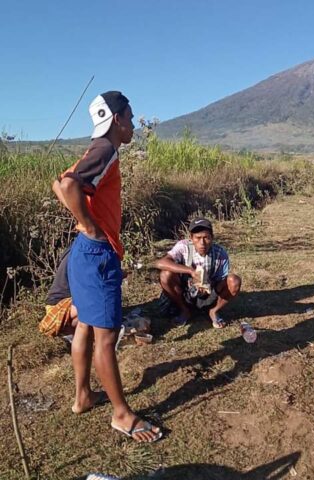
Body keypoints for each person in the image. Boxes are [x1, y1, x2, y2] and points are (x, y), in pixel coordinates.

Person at [52, 91, 162, 442]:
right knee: (106, 336)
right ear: (117, 119)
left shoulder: (95, 150)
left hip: (86, 253)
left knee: (85, 326)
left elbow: (59, 183)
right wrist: (91, 226)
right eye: (130, 117)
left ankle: (82, 397)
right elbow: (68, 185)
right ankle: (122, 414)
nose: (132, 124)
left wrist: (85, 224)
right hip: (96, 254)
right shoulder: (106, 150)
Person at [154, 217, 242, 329]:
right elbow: (160, 263)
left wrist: (207, 286)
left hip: (210, 294)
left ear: (212, 237)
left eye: (206, 238)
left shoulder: (220, 253)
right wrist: (190, 271)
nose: (202, 243)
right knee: (165, 274)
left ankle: (213, 311)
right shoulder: (184, 247)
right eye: (198, 238)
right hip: (186, 293)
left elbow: (222, 282)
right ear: (191, 238)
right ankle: (185, 310)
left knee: (234, 280)